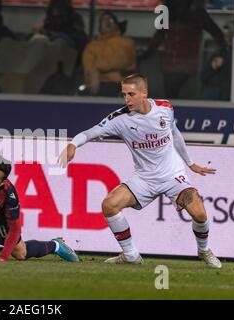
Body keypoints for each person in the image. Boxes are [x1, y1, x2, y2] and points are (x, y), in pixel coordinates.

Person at [58, 73, 222, 268]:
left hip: (172, 175)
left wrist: (190, 162)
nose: (127, 99)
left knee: (200, 214)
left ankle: (203, 250)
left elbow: (175, 133)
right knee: (109, 205)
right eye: (124, 94)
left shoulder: (165, 108)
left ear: (144, 93)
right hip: (144, 178)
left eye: (131, 94)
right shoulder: (120, 119)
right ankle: (131, 255)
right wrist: (73, 144)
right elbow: (90, 132)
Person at [140, 0, 226, 99]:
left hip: (181, 65)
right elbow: (159, 35)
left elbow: (159, 36)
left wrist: (222, 51)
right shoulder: (189, 11)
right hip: (177, 65)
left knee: (176, 98)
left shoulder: (193, 12)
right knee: (177, 100)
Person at [82, 11, 136, 96]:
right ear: (100, 26)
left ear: (116, 25)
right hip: (97, 85)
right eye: (103, 20)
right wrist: (93, 74)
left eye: (110, 19)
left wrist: (97, 70)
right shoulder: (91, 46)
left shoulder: (126, 42)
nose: (107, 22)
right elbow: (88, 68)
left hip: (120, 84)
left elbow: (121, 61)